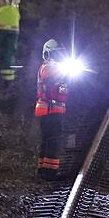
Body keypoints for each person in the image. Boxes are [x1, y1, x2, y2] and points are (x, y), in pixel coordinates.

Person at [34, 39, 68, 179]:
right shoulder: (47, 67)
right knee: (53, 140)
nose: (58, 57)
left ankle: (43, 168)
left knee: (47, 139)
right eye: (55, 54)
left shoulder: (53, 67)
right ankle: (50, 172)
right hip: (50, 109)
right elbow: (51, 77)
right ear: (47, 53)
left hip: (50, 109)